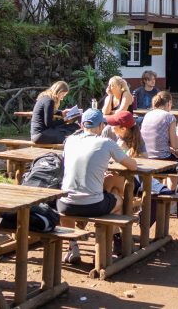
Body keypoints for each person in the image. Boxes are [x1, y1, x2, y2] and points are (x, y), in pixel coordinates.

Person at [57, 108, 137, 263]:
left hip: (65, 204)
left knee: (69, 202)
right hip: (93, 205)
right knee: (118, 198)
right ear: (101, 126)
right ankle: (114, 243)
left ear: (82, 125)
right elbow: (132, 166)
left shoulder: (69, 141)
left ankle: (73, 247)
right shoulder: (106, 142)